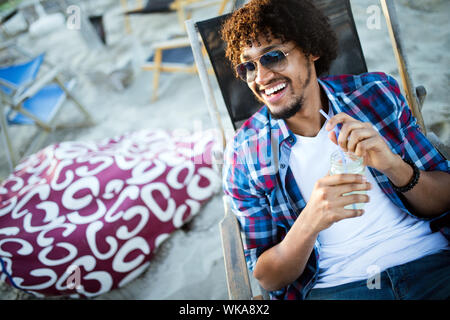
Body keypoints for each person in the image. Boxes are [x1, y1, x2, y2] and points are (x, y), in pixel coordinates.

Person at [221, 0, 450, 300]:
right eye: (248, 66)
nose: (261, 78)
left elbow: (444, 199)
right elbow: (269, 277)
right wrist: (311, 220)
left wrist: (395, 166)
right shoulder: (245, 153)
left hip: (432, 264)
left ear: (311, 49)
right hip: (339, 288)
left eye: (273, 57)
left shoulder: (375, 94)